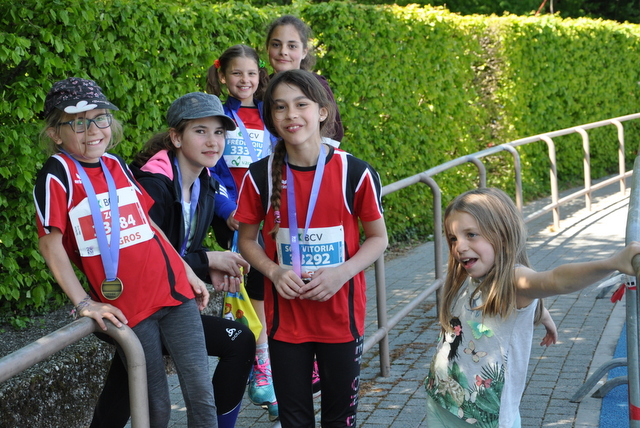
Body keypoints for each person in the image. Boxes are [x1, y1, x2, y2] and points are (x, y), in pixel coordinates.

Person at [33, 77, 217, 428]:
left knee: (201, 395)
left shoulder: (115, 164)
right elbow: (49, 244)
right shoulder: (57, 174)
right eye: (78, 123)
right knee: (155, 407)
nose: (93, 130)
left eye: (100, 118)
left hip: (174, 292)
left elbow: (149, 226)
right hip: (129, 308)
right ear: (55, 133)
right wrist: (84, 303)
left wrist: (187, 271)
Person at [90, 92, 256, 428]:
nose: (213, 141)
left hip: (168, 302)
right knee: (234, 344)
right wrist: (206, 260)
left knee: (128, 385)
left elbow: (181, 250)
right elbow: (146, 261)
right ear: (176, 137)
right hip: (133, 304)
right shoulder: (152, 185)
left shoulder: (205, 183)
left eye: (219, 132)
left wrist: (208, 267)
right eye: (200, 131)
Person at [236, 69, 388, 427]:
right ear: (271, 118)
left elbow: (378, 238)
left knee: (340, 419)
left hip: (340, 318)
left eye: (301, 104)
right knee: (294, 420)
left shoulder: (355, 172)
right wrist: (274, 271)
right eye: (280, 107)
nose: (291, 114)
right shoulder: (259, 176)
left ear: (322, 111)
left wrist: (342, 273)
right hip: (286, 321)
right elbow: (246, 240)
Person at [424, 187, 640, 428]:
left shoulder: (514, 279)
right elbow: (509, 309)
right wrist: (542, 314)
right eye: (453, 238)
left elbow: (555, 280)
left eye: (471, 234)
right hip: (442, 399)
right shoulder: (480, 276)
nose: (459, 246)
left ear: (503, 236)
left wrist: (612, 263)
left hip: (483, 419)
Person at [206, 44, 279, 420]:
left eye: (251, 73)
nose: (244, 80)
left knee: (273, 282)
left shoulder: (271, 114)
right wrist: (227, 209)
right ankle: (260, 362)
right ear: (223, 76)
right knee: (257, 280)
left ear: (260, 75)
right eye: (236, 73)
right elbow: (211, 172)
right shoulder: (218, 116)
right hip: (236, 218)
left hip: (270, 214)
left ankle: (268, 360)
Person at [266, 14, 344, 144]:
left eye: (292, 46)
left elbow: (334, 133)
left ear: (304, 52)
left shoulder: (317, 86)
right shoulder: (259, 87)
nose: (283, 51)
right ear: (267, 48)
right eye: (276, 44)